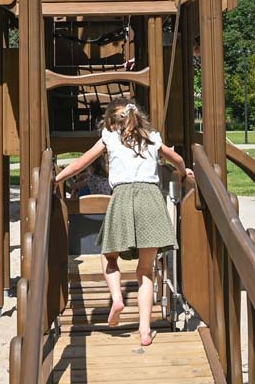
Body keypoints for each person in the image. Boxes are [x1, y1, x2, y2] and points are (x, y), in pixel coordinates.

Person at [54, 100, 191, 347]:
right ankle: (145, 330)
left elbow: (81, 163)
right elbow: (177, 158)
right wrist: (183, 172)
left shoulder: (109, 137)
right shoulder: (152, 137)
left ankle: (117, 297)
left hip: (123, 198)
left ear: (110, 121)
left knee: (109, 257)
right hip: (151, 199)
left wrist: (57, 178)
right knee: (145, 272)